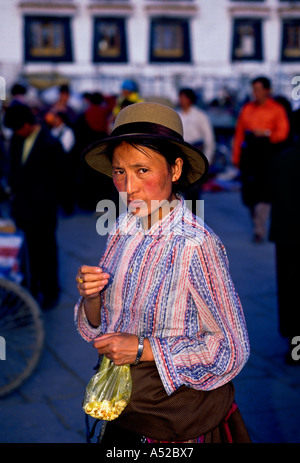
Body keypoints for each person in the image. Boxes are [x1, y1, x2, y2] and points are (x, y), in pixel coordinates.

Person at [74, 102, 251, 444]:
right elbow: (102, 323)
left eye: (142, 170)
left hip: (174, 422)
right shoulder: (123, 228)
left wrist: (142, 348)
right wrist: (91, 296)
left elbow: (231, 348)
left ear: (175, 169)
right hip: (125, 408)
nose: (128, 187)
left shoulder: (195, 244)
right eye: (119, 171)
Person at [3, 104, 64, 309]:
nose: (15, 133)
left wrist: (48, 201)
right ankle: (29, 288)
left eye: (18, 128)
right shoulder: (17, 140)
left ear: (29, 124)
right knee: (24, 253)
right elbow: (13, 168)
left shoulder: (50, 143)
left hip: (43, 210)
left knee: (45, 251)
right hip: (21, 207)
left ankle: (50, 291)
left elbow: (61, 178)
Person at [232, 76, 290, 243]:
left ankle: (260, 228)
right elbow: (239, 134)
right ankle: (256, 221)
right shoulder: (247, 109)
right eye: (254, 89)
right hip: (250, 154)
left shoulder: (276, 109)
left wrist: (266, 134)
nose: (255, 93)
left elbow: (283, 132)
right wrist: (236, 157)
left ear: (267, 90)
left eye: (258, 89)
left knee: (265, 193)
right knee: (249, 194)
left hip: (267, 154)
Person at [269, 138, 300, 362]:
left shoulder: (282, 159)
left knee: (290, 293)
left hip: (286, 236)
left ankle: (295, 348)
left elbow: (269, 192)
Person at [177, 88, 216, 214]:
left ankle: (195, 219)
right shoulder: (177, 115)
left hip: (195, 153)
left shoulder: (200, 116)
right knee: (179, 189)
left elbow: (209, 139)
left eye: (184, 98)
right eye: (180, 97)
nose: (181, 101)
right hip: (181, 152)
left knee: (194, 189)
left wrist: (207, 160)